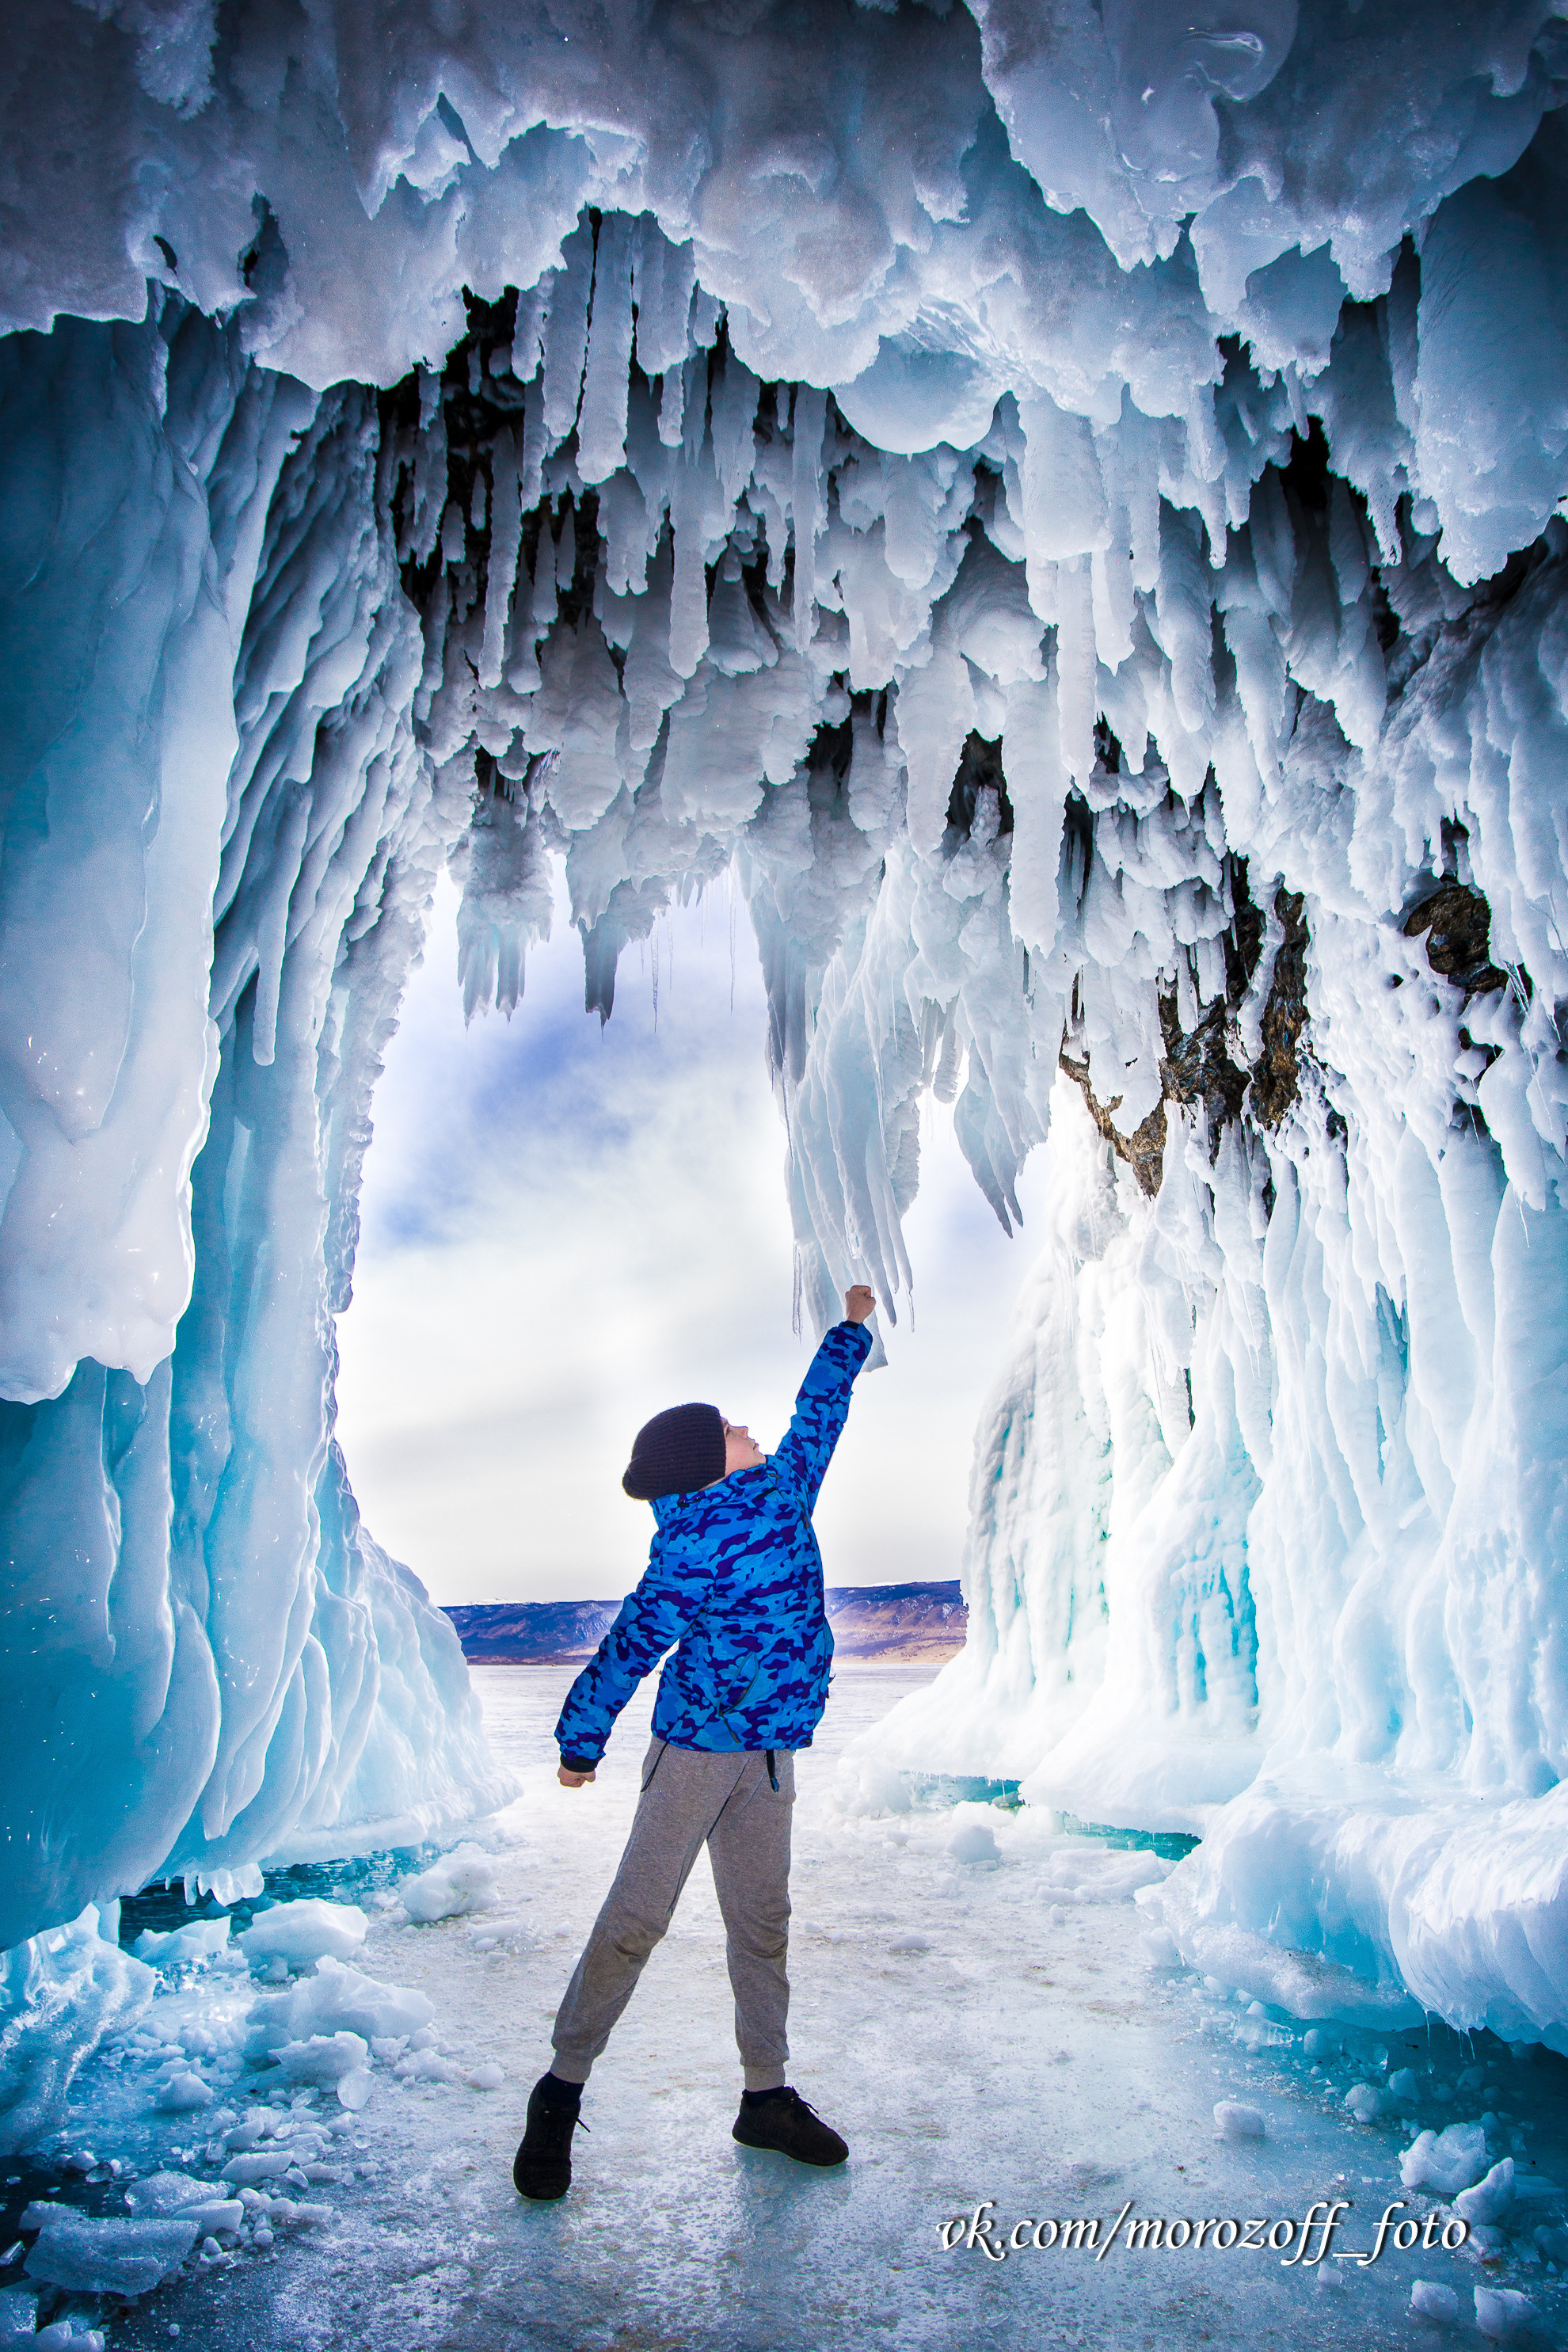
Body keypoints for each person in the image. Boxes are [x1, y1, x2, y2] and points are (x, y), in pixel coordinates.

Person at [512, 1285, 877, 2202]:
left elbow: (819, 1411)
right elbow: (633, 1641)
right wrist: (580, 1740)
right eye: (728, 1426)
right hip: (695, 1756)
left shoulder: (786, 1486)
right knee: (636, 1921)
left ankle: (767, 2097)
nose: (747, 1427)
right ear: (704, 1461)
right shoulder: (686, 1550)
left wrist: (851, 1328)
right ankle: (559, 2094)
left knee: (763, 1928)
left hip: (770, 1759)